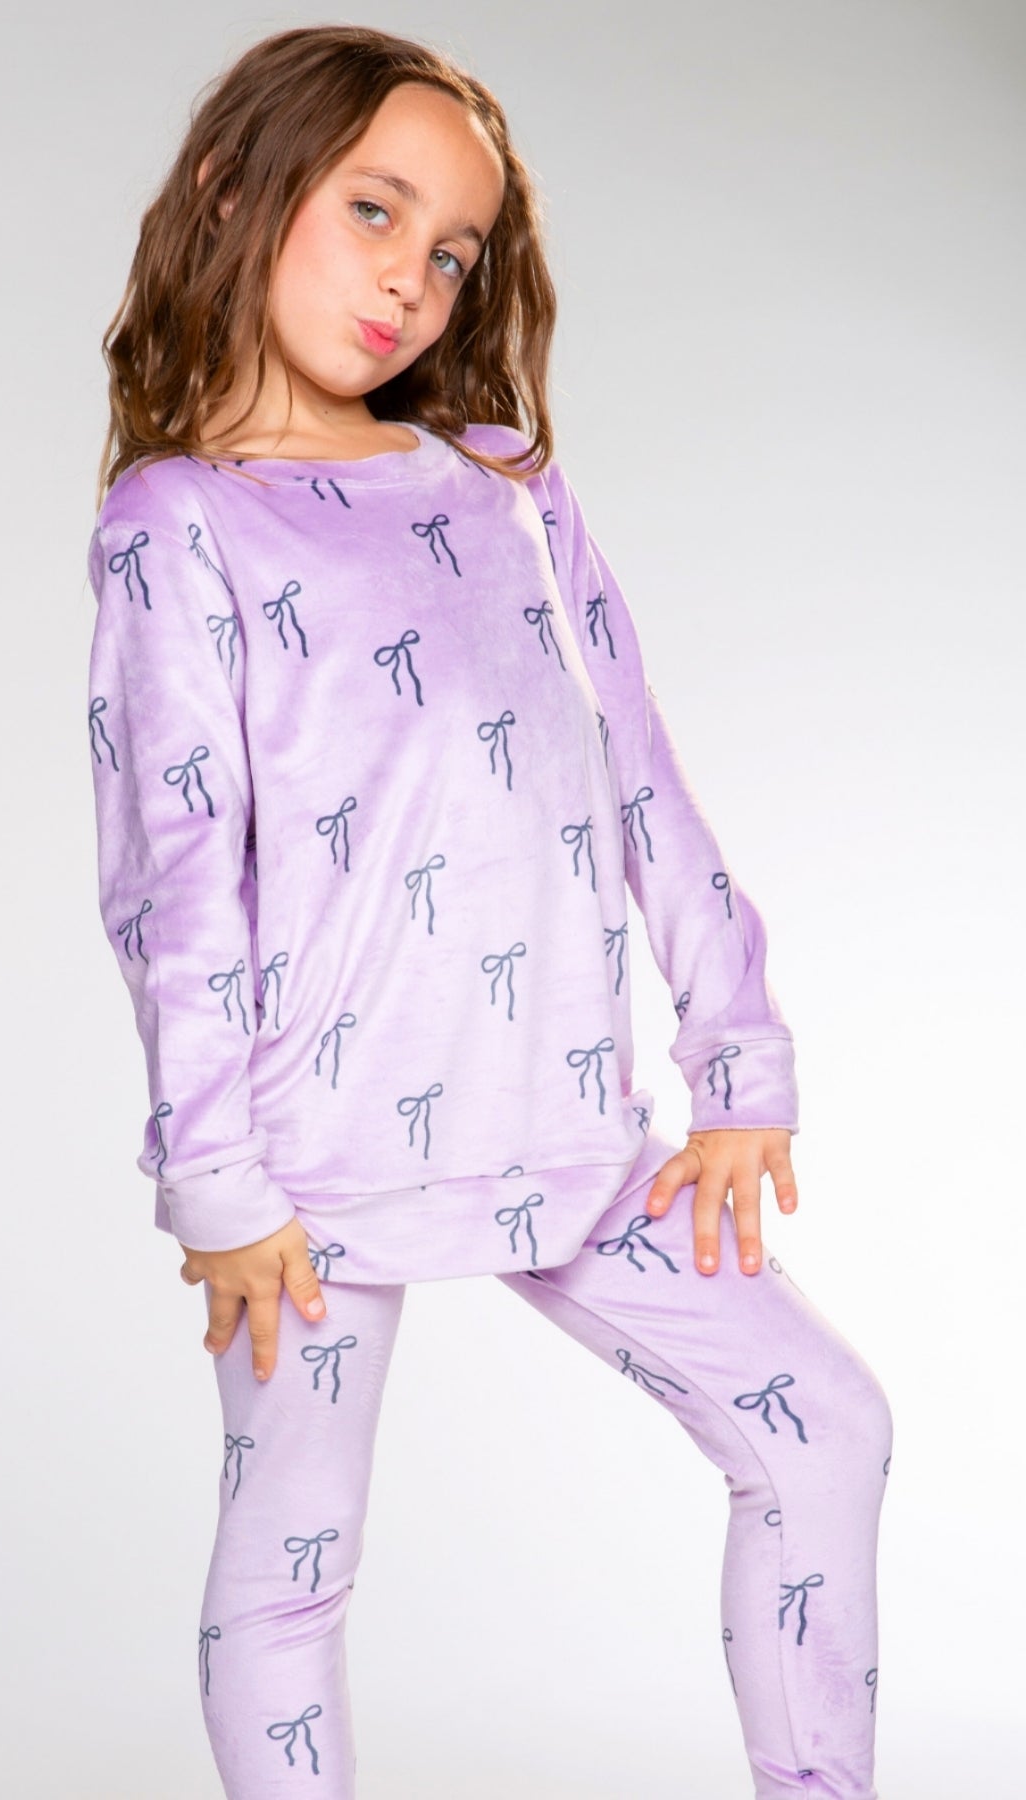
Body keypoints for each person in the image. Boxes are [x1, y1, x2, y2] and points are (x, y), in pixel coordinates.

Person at [85, 23, 891, 1799]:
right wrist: (215, 1182)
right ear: (234, 188)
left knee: (825, 1429)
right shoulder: (180, 526)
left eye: (452, 251)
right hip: (309, 1175)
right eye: (374, 211)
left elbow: (640, 778)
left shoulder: (510, 489)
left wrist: (739, 1056)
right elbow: (176, 881)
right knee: (292, 1572)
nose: (413, 279)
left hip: (567, 1129)